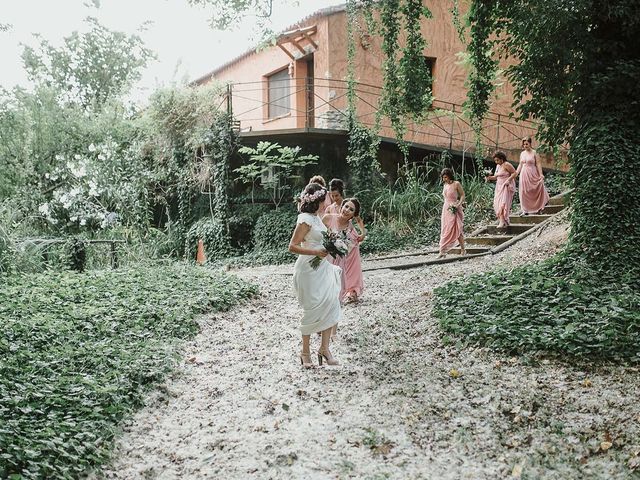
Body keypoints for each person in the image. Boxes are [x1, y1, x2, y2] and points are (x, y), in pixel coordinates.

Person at [288, 182, 341, 367]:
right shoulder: (305, 219)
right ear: (316, 200)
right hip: (308, 269)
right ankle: (305, 352)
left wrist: (332, 244)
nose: (326, 202)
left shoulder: (318, 218)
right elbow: (292, 246)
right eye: (323, 199)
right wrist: (316, 252)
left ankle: (324, 349)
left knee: (331, 301)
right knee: (313, 308)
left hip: (323, 267)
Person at [323, 197, 365, 304]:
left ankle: (349, 291)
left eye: (351, 210)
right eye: (346, 206)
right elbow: (316, 234)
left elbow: (349, 246)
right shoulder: (328, 218)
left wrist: (363, 233)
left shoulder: (349, 227)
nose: (347, 210)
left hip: (337, 259)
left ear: (353, 215)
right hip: (324, 255)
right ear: (342, 206)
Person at [515, 137, 549, 215]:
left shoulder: (535, 152)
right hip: (524, 173)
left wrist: (541, 174)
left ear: (530, 144)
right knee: (524, 191)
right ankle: (525, 210)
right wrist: (516, 172)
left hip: (532, 172)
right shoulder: (522, 153)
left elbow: (538, 164)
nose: (525, 146)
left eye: (527, 144)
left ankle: (538, 207)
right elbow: (520, 164)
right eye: (524, 144)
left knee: (534, 189)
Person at [438, 168, 466, 257]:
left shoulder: (456, 184)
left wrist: (458, 204)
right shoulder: (445, 185)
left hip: (454, 207)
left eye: (445, 177)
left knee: (457, 229)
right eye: (443, 178)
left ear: (450, 176)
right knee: (445, 229)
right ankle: (442, 251)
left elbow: (462, 195)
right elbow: (445, 198)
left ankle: (463, 249)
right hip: (446, 208)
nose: (444, 179)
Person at [485, 151, 517, 229]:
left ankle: (502, 221)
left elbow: (514, 173)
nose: (496, 162)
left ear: (502, 159)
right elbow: (496, 177)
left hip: (506, 186)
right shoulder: (498, 166)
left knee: (503, 204)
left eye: (497, 160)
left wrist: (509, 180)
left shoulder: (507, 165)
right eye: (495, 160)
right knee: (497, 203)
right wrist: (488, 177)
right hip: (498, 186)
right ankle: (504, 220)